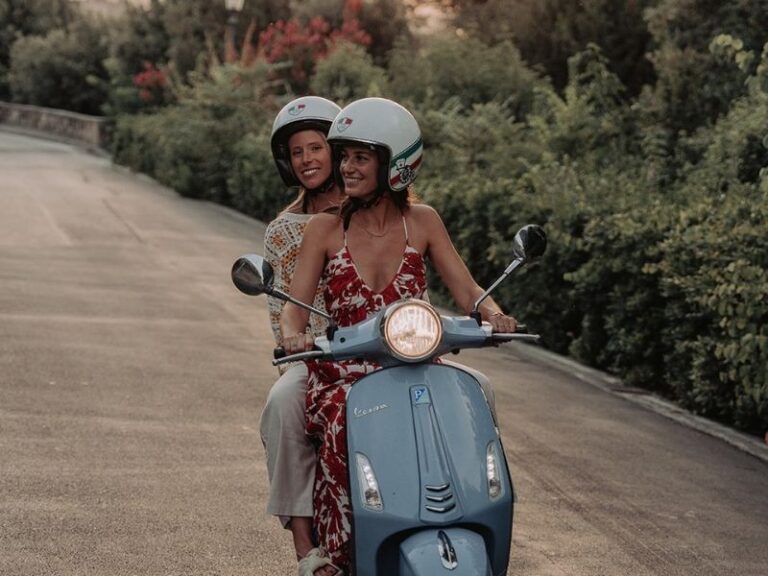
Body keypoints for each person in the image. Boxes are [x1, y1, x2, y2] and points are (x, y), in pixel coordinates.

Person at [281, 97, 518, 572]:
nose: (345, 167)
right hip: (346, 368)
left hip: (416, 359)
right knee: (337, 422)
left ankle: (473, 510)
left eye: (360, 157)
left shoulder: (423, 222)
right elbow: (293, 312)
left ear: (395, 164)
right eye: (344, 156)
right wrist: (294, 336)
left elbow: (468, 288)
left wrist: (494, 311)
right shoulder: (325, 230)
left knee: (476, 397)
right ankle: (334, 551)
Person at [259, 95, 345, 576]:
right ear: (286, 163)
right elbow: (283, 316)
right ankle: (306, 547)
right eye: (297, 152)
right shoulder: (284, 230)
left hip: (386, 347)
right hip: (317, 354)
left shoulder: (371, 211)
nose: (308, 159)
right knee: (282, 403)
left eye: (316, 147)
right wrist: (300, 342)